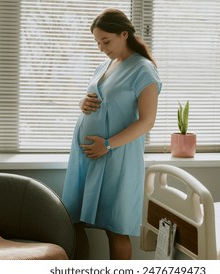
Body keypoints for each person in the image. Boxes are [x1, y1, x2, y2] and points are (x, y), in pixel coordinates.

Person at [62, 8, 162, 260]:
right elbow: (103, 100)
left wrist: (107, 144)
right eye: (97, 42)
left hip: (116, 157)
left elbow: (147, 122)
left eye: (106, 41)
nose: (101, 47)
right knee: (72, 221)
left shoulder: (143, 70)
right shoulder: (105, 65)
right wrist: (82, 103)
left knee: (115, 229)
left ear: (124, 34)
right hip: (87, 158)